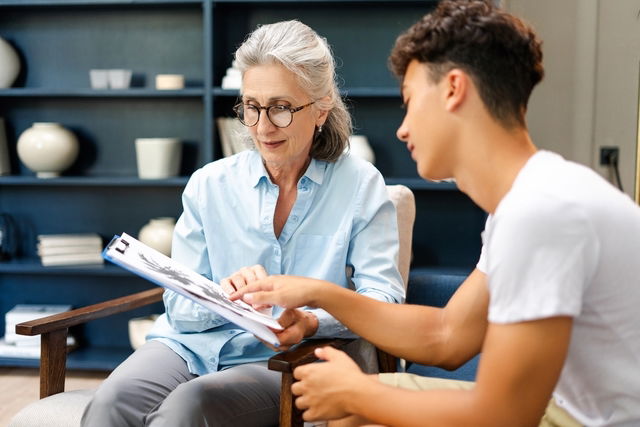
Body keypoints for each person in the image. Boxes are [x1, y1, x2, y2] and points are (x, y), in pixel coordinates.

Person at [230, 1, 640, 426]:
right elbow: (448, 336)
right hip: (568, 411)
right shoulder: (528, 202)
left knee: (359, 406)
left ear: (453, 90)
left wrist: (358, 391)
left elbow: (505, 415)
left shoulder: (542, 213)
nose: (402, 128)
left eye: (410, 102)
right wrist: (320, 292)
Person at [81, 20, 404, 427]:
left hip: (286, 359)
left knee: (190, 406)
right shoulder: (209, 184)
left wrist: (310, 320)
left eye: (281, 108)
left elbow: (385, 298)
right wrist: (226, 297)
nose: (263, 126)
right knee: (111, 401)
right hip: (189, 347)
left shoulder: (360, 184)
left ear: (321, 108)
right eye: (251, 106)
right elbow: (178, 307)